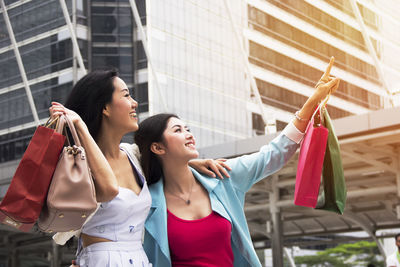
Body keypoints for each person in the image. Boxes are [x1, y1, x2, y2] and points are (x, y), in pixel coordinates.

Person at [134, 57, 340, 267]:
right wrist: (192, 163)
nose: (189, 135)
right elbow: (122, 157)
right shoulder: (145, 200)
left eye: (188, 129)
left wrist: (313, 100)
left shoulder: (222, 176)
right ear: (157, 148)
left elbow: (274, 154)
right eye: (177, 130)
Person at [49, 69, 230, 267]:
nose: (134, 103)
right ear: (105, 108)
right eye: (126, 95)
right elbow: (109, 189)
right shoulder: (78, 163)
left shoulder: (131, 155)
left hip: (139, 259)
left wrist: (193, 163)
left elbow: (161, 156)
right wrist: (79, 125)